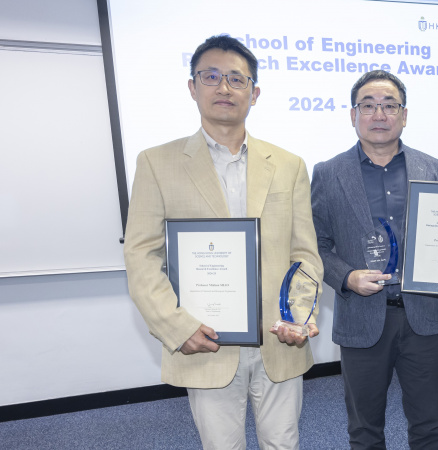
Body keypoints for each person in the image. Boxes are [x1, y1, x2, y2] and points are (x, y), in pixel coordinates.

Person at [123, 35, 323, 449]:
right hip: (205, 340)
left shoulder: (289, 165)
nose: (225, 88)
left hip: (278, 336)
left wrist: (299, 314)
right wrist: (178, 328)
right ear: (192, 87)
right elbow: (141, 256)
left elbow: (304, 253)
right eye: (211, 76)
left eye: (237, 78)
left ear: (255, 93)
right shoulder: (156, 163)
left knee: (283, 444)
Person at [311, 70, 438, 450]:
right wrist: (346, 277)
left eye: (389, 106)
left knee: (428, 426)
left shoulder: (431, 166)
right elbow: (316, 245)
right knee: (364, 429)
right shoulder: (328, 173)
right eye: (369, 105)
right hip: (362, 317)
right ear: (353, 114)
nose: (379, 114)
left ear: (404, 115)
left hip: (422, 316)